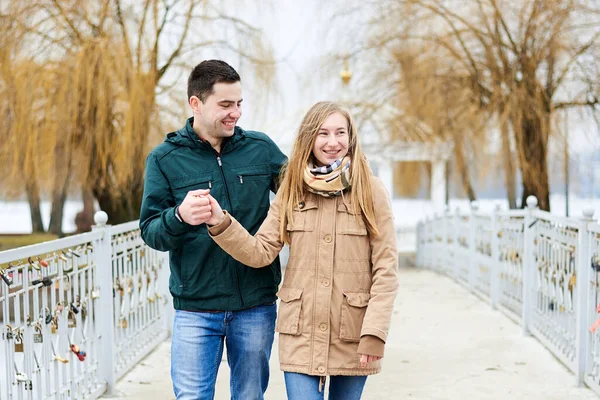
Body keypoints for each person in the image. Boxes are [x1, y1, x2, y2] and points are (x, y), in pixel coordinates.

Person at [204, 101, 399, 400]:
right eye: (323, 133)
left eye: (340, 133)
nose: (332, 142)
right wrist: (221, 223)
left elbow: (386, 269)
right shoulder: (292, 187)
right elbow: (261, 251)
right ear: (309, 138)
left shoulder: (370, 190)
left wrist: (375, 333)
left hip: (353, 332)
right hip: (301, 331)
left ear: (351, 138)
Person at [139, 60, 287, 400]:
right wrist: (179, 216)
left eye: (238, 104)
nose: (235, 113)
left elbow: (300, 195)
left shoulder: (260, 148)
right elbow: (150, 231)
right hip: (195, 308)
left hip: (256, 304)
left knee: (250, 397)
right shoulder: (164, 159)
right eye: (225, 105)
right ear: (196, 103)